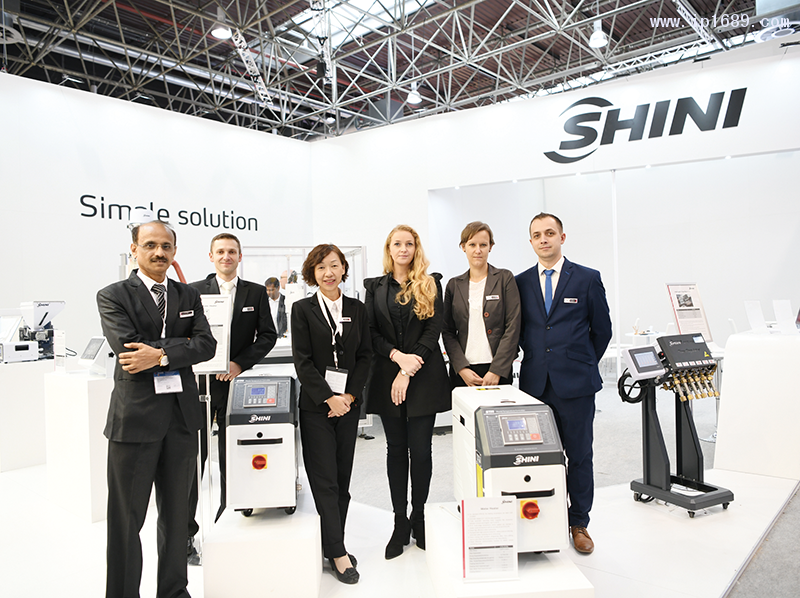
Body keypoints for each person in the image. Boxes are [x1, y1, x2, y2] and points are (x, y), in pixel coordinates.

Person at [97, 220, 216, 598]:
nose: (159, 252)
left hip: (181, 420)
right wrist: (179, 350)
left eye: (166, 246)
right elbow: (129, 350)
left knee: (178, 518)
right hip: (135, 421)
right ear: (134, 249)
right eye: (150, 245)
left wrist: (161, 355)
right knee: (126, 520)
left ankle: (174, 591)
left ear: (175, 251)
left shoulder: (188, 295)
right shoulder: (113, 295)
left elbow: (207, 345)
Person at [515, 213, 612, 555]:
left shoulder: (587, 278)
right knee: (539, 458)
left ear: (562, 237)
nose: (543, 239)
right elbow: (519, 331)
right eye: (537, 235)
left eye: (549, 233)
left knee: (580, 455)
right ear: (531, 241)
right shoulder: (520, 282)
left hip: (576, 385)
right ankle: (546, 521)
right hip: (535, 385)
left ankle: (579, 522)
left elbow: (602, 331)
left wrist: (580, 362)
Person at [187, 233, 277, 562]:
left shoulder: (255, 292)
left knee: (233, 451)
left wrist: (240, 363)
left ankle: (232, 511)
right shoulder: (193, 291)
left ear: (240, 256)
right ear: (211, 256)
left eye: (232, 251)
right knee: (193, 458)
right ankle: (186, 531)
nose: (226, 256)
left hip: (234, 382)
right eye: (220, 251)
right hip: (198, 384)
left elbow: (267, 335)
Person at [364, 225, 450, 560]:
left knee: (422, 452)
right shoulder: (374, 287)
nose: (403, 249)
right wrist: (397, 358)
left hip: (423, 377)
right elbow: (371, 332)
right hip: (388, 377)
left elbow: (433, 330)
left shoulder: (431, 283)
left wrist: (407, 368)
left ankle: (420, 517)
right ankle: (400, 522)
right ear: (389, 248)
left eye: (409, 244)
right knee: (396, 451)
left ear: (416, 248)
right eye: (397, 244)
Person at [291, 244, 372, 584]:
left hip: (348, 406)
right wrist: (329, 398)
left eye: (335, 265)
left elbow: (365, 356)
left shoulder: (357, 308)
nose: (329, 272)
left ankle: (332, 542)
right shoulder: (302, 309)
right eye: (321, 267)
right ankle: (338, 553)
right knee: (324, 480)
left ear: (343, 269)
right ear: (313, 272)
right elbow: (303, 362)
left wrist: (349, 396)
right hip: (317, 408)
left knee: (342, 480)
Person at [442, 221, 521, 388]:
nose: (478, 250)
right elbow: (447, 331)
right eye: (472, 245)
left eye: (483, 245)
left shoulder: (505, 279)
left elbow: (513, 326)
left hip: (498, 370)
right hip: (463, 373)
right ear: (463, 247)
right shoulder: (453, 285)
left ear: (490, 247)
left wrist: (497, 370)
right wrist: (461, 368)